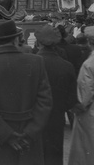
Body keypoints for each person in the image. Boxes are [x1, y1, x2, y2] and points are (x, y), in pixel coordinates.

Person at [0, 19, 52, 165]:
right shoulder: (36, 62)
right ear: (16, 39)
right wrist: (29, 133)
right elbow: (45, 103)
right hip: (29, 135)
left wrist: (7, 135)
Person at [35, 25, 77, 165]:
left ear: (38, 42)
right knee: (54, 157)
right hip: (57, 120)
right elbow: (71, 100)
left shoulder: (31, 63)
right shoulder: (67, 66)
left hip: (34, 120)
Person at [68, 26, 94, 165]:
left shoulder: (89, 64)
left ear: (89, 43)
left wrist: (77, 107)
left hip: (91, 113)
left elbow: (85, 93)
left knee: (87, 147)